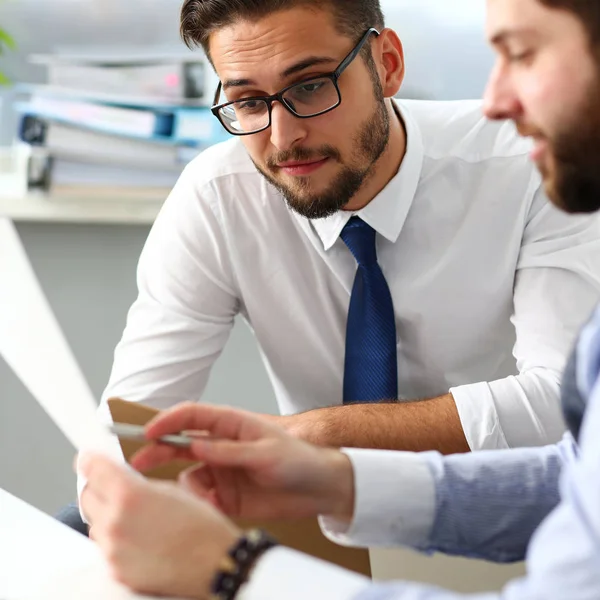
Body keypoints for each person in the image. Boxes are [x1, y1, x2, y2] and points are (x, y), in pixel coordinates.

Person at [79, 0, 600, 598]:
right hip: (318, 512)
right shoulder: (219, 196)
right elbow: (127, 427)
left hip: (495, 545)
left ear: (387, 63)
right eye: (248, 101)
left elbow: (564, 411)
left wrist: (323, 437)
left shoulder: (538, 161)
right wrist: (120, 501)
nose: (283, 136)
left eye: (310, 87)